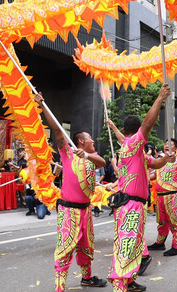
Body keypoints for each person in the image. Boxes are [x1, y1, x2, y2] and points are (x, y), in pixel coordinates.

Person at [35, 92, 108, 291]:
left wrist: (88, 155)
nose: (93, 142)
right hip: (70, 211)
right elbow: (57, 130)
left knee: (86, 246)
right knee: (65, 248)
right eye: (90, 140)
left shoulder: (92, 157)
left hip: (86, 210)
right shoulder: (68, 154)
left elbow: (102, 162)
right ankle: (60, 287)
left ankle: (87, 277)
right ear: (81, 141)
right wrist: (42, 105)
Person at [104, 83, 172, 292]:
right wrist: (159, 98)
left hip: (133, 205)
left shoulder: (129, 147)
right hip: (131, 205)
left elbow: (155, 164)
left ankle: (130, 281)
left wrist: (166, 159)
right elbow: (147, 125)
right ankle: (120, 285)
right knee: (128, 245)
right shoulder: (134, 143)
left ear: (125, 131)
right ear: (135, 134)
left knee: (132, 244)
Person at [147, 138, 177, 256]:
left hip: (173, 196)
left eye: (170, 145)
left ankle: (176, 247)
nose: (167, 146)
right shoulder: (159, 161)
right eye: (166, 144)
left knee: (176, 222)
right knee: (162, 221)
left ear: (175, 149)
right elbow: (153, 176)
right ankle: (160, 243)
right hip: (160, 197)